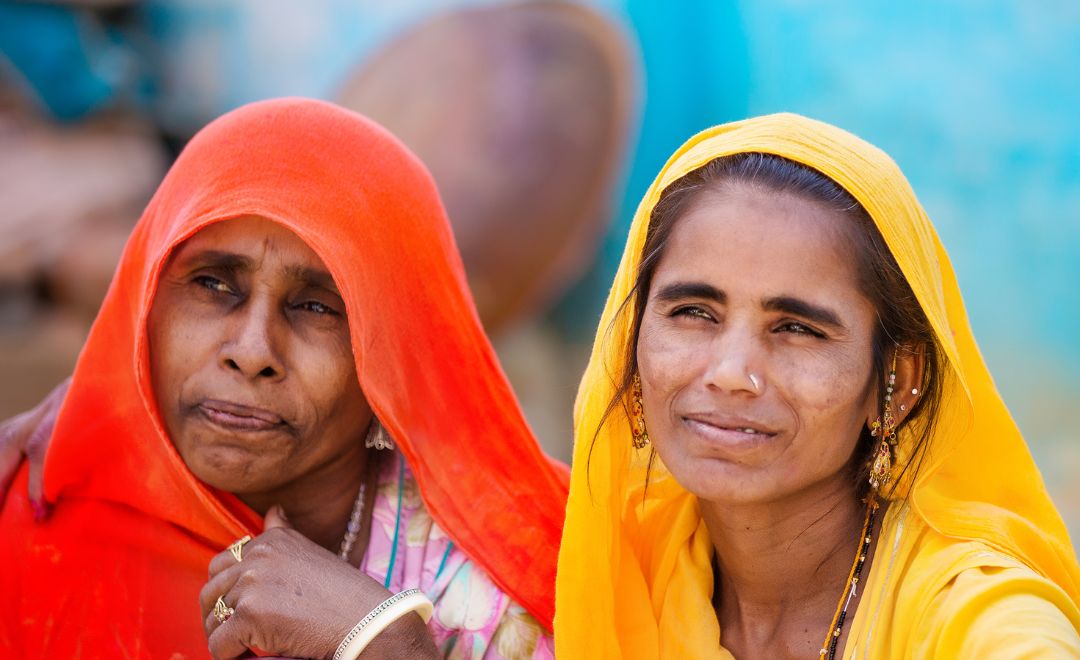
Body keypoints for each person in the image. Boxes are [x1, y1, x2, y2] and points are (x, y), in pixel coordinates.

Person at [0, 98, 565, 659]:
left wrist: (385, 645)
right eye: (213, 284)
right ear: (144, 303)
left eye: (318, 306)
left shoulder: (525, 579)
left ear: (391, 353)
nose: (252, 352)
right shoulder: (33, 528)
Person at [554, 113, 1080, 657]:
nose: (731, 372)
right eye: (693, 312)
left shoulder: (979, 620)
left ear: (897, 384)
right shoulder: (610, 566)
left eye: (798, 328)